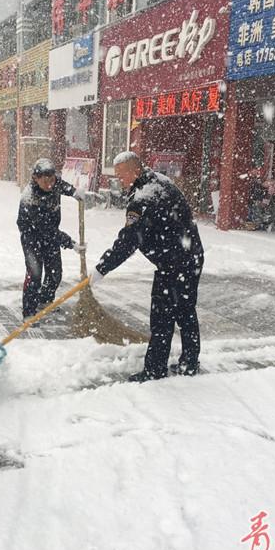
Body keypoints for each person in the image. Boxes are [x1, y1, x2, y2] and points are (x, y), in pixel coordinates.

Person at [89, 151, 204, 382]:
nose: (119, 180)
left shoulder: (143, 198)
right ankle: (190, 363)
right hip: (191, 258)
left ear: (135, 170)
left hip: (173, 264)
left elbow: (129, 240)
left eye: (122, 175)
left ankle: (155, 369)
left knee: (162, 318)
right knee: (185, 312)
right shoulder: (161, 181)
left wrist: (103, 267)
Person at [17, 158, 84, 320]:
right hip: (32, 237)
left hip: (50, 234)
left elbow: (62, 185)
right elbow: (47, 230)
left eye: (52, 179)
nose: (49, 184)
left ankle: (45, 302)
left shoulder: (54, 183)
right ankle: (29, 311)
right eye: (45, 180)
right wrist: (71, 243)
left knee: (55, 273)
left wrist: (74, 192)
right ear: (35, 178)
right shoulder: (30, 199)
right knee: (35, 274)